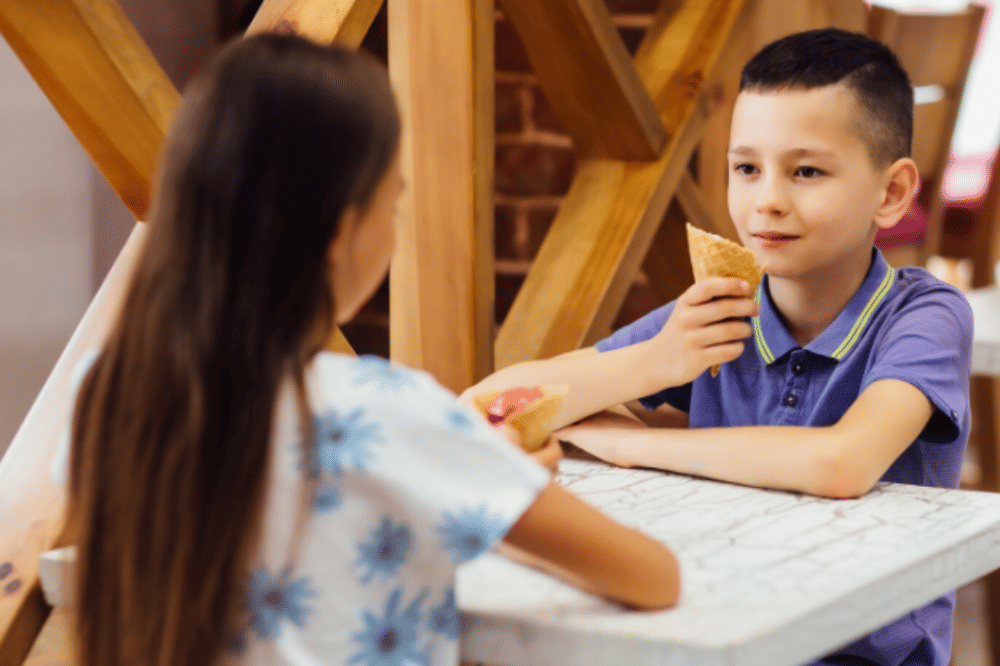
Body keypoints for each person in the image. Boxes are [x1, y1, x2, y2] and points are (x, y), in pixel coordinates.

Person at [56, 33, 679, 666]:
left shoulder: (105, 390)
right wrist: (485, 483)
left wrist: (474, 474)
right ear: (338, 234)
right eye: (394, 201)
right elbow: (653, 578)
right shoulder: (387, 410)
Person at [464, 28, 972, 666]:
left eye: (806, 171)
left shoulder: (923, 313)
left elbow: (843, 464)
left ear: (892, 193)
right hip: (722, 631)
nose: (767, 201)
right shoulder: (716, 312)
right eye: (746, 168)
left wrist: (632, 443)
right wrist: (650, 363)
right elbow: (484, 404)